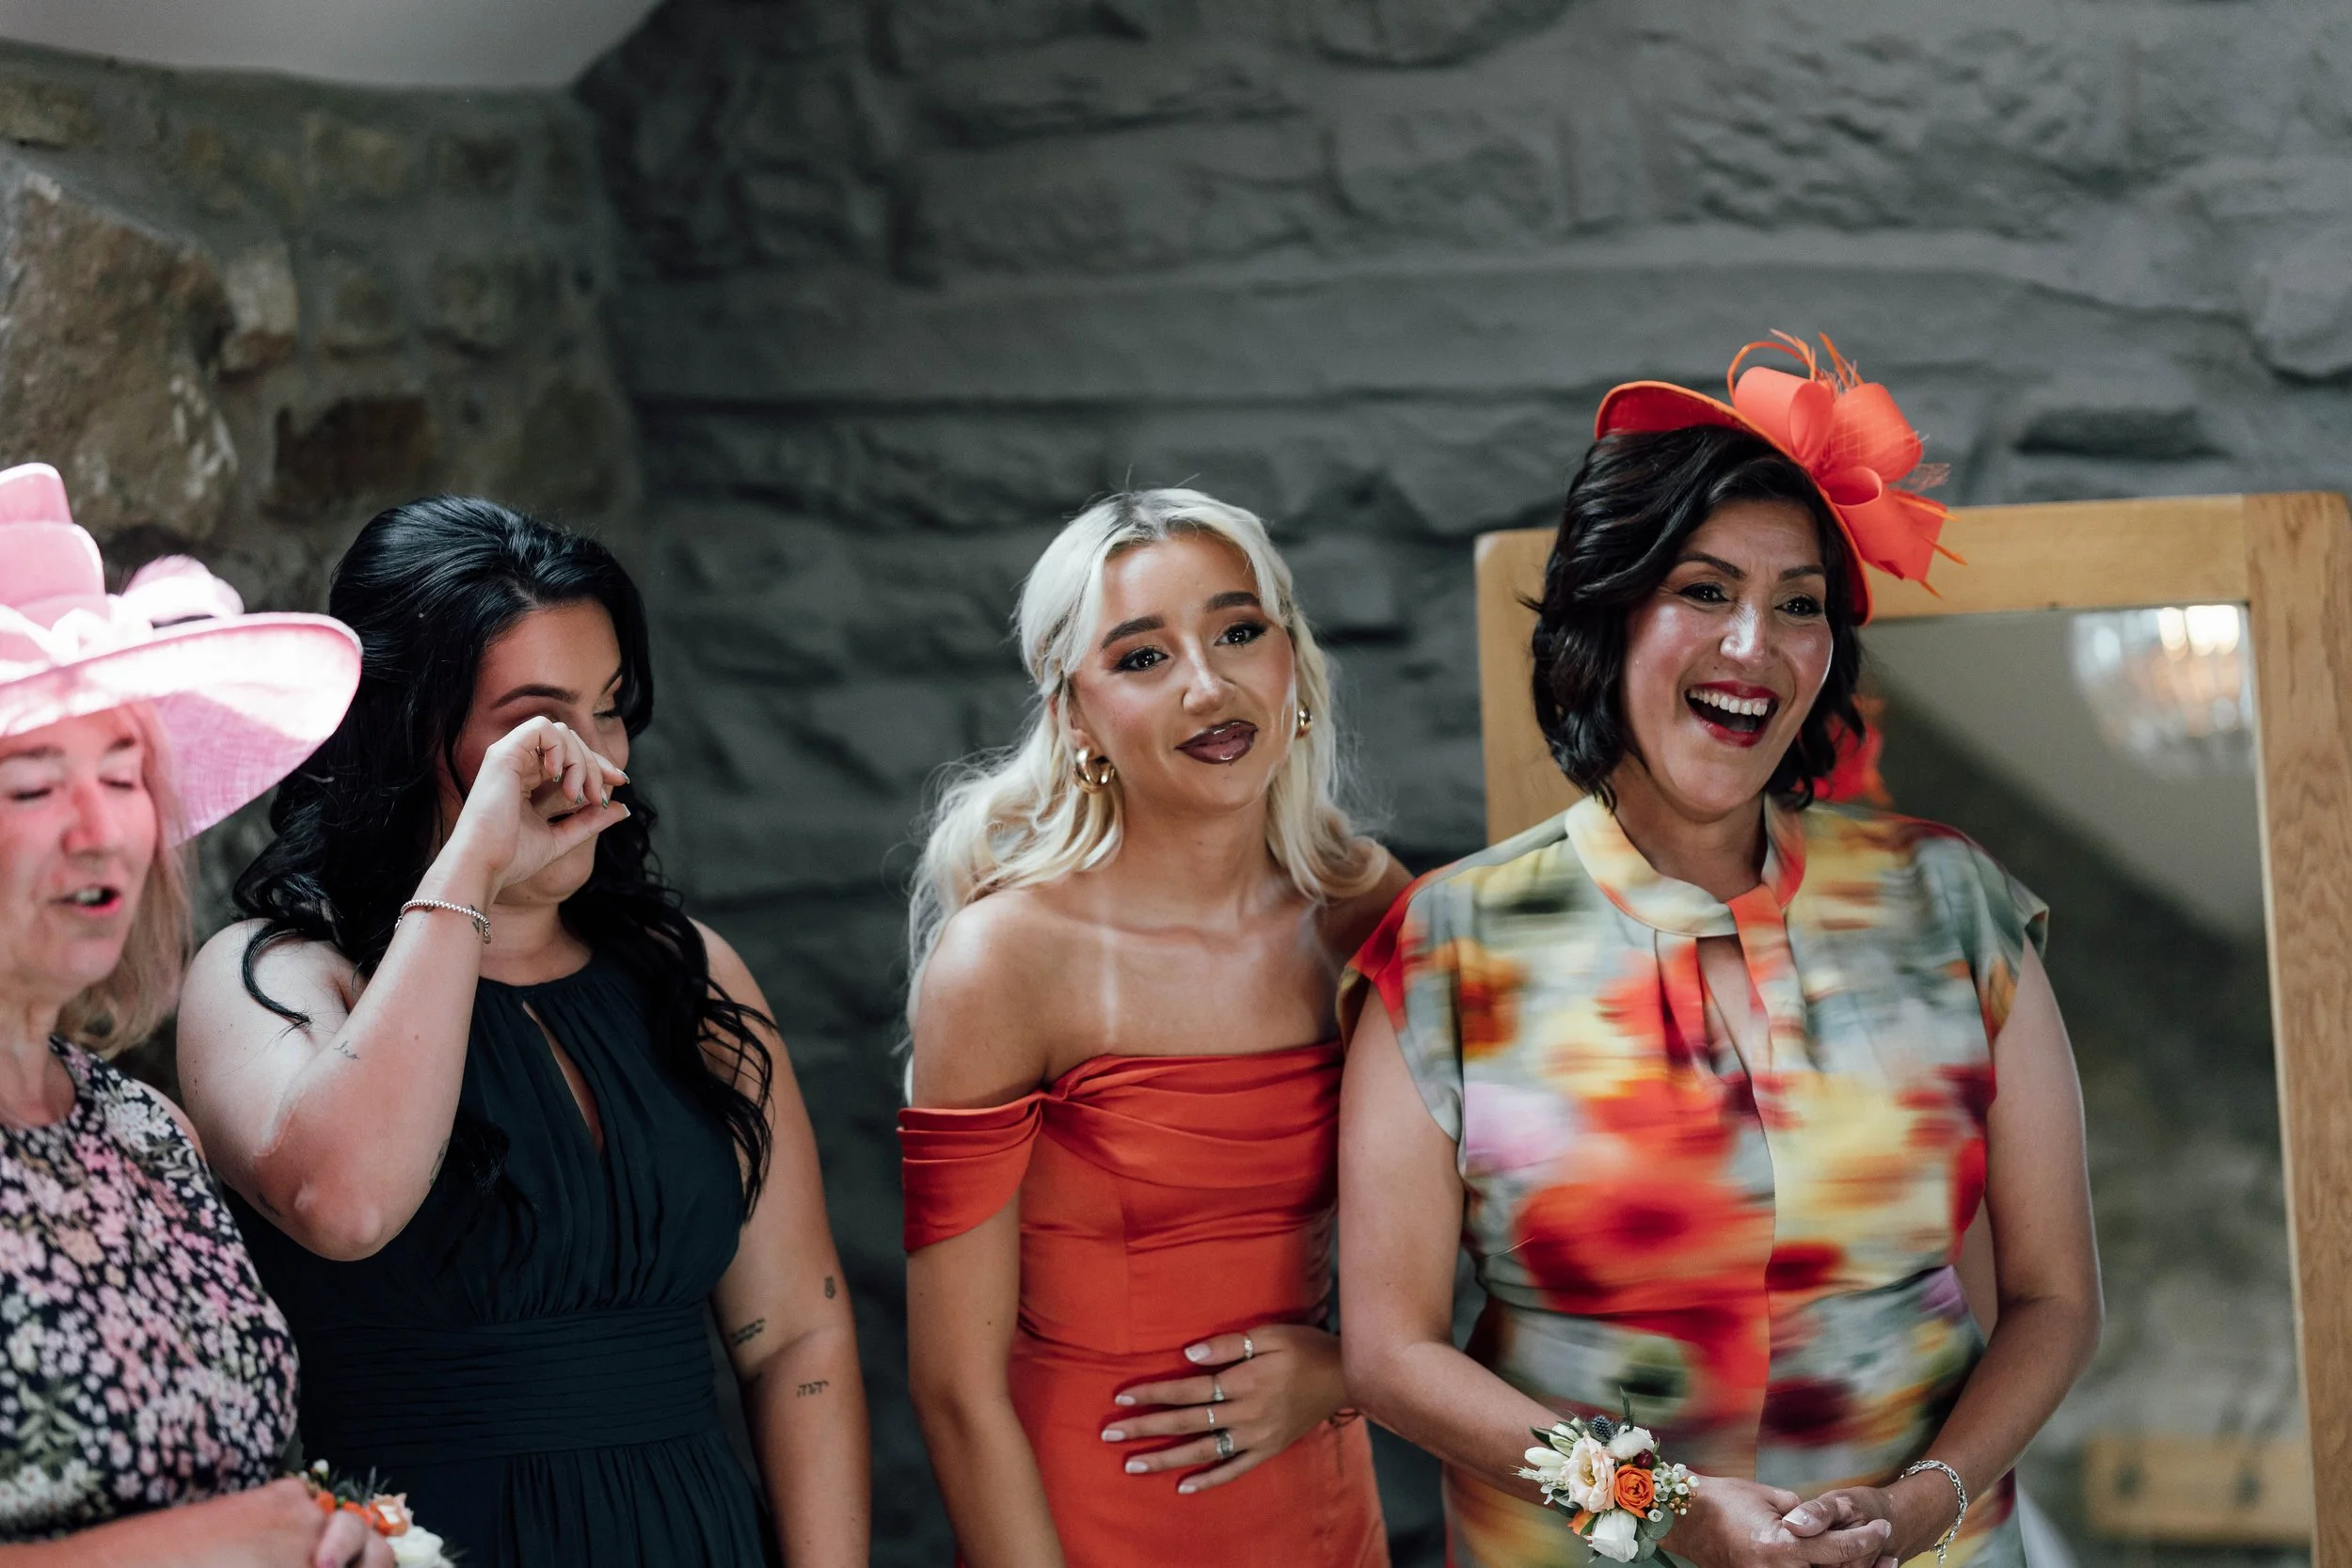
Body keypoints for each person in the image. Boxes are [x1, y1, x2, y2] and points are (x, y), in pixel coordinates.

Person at [1337, 337, 2104, 1568]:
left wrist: (1917, 1509)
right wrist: (1671, 1506)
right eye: (1703, 588)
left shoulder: (1956, 904)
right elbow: (1391, 1353)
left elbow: (2057, 1296)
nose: (1753, 641)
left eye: (1798, 602)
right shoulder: (1448, 943)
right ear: (1611, 614)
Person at [173, 497, 869, 1568]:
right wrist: (473, 868)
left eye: (610, 710)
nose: (594, 764)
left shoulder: (691, 974)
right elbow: (344, 1203)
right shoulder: (271, 974)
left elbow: (797, 1340)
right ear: (408, 732)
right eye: (537, 727)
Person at [900, 489, 1411, 1567]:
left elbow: (1457, 1244)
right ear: (1073, 716)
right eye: (1141, 657)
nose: (1207, 683)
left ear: (1292, 663)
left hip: (1320, 1498)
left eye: (1238, 631)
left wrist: (1340, 1367)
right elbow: (952, 1386)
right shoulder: (1004, 961)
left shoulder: (1365, 913)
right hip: (1091, 1505)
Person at [0, 463, 384, 1565]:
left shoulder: (144, 1131)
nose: (100, 829)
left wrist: (321, 1536)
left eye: (124, 777)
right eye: (34, 784)